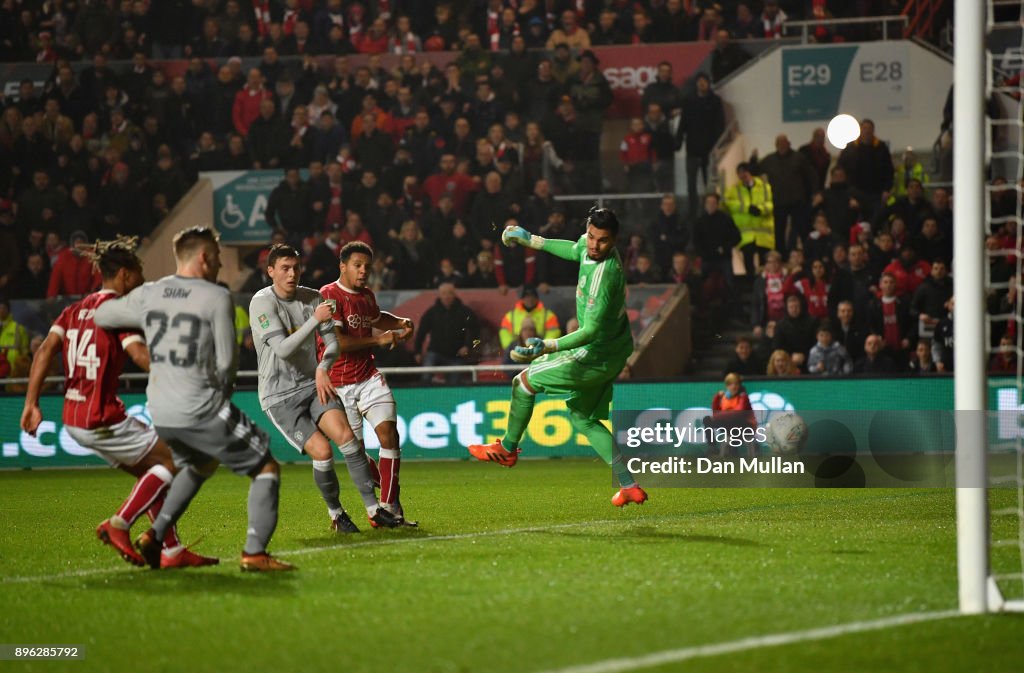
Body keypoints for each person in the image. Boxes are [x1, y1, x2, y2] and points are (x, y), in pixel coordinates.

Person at [94, 227, 292, 572]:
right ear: (203, 258)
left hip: (161, 409)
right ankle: (255, 552)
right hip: (199, 405)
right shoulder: (215, 296)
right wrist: (222, 395)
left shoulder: (151, 293)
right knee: (266, 467)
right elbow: (228, 362)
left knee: (200, 464)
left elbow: (102, 316)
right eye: (216, 257)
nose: (217, 265)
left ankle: (154, 537)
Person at [21, 237, 217, 570]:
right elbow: (139, 354)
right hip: (101, 417)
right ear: (125, 275)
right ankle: (120, 524)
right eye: (139, 275)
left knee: (153, 472)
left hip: (74, 416)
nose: (141, 282)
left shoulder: (72, 310)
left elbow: (43, 351)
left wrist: (31, 403)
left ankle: (168, 550)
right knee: (179, 459)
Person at [467, 207, 646, 508]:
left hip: (593, 354)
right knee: (583, 418)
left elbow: (588, 332)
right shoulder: (589, 248)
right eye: (591, 236)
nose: (593, 245)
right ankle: (629, 486)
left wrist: (547, 346)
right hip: (614, 351)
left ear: (614, 241)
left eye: (602, 241)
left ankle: (508, 449)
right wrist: (531, 240)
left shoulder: (606, 277)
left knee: (523, 382)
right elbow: (573, 248)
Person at [250, 244, 399, 533]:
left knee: (347, 438)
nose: (292, 273)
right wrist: (313, 321)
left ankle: (374, 509)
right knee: (322, 452)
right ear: (271, 272)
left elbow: (331, 343)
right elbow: (282, 349)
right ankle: (336, 513)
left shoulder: (313, 297)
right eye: (284, 268)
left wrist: (321, 368)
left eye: (295, 267)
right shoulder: (261, 303)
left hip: (312, 384)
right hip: (279, 396)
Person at [321, 242, 418, 525]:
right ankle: (385, 502)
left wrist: (399, 322)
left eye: (367, 266)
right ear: (343, 266)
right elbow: (337, 343)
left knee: (389, 434)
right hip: (338, 385)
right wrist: (379, 339)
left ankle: (390, 507)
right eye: (357, 265)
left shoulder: (366, 296)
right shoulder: (329, 295)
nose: (363, 271)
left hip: (368, 377)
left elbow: (377, 318)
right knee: (358, 456)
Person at [413, 282, 480, 383]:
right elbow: (421, 332)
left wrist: (467, 346)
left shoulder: (465, 312)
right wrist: (417, 351)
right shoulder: (432, 312)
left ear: (454, 294)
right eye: (444, 293)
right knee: (426, 374)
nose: (447, 296)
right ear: (439, 295)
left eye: (449, 293)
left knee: (454, 382)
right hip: (435, 352)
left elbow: (475, 330)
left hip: (456, 354)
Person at [725, 162, 774, 276]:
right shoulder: (734, 189)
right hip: (746, 235)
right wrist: (747, 208)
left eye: (744, 174)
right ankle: (751, 282)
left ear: (749, 173)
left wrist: (760, 209)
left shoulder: (764, 187)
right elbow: (728, 203)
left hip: (763, 233)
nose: (742, 177)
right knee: (748, 260)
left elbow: (770, 204)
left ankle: (763, 282)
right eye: (740, 175)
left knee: (765, 261)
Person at [707, 373, 758, 458]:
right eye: (730, 384)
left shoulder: (743, 397)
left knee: (734, 419)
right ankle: (712, 447)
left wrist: (718, 416)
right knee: (707, 420)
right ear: (727, 386)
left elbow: (737, 412)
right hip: (730, 426)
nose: (733, 387)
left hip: (745, 426)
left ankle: (732, 449)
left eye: (736, 384)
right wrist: (717, 398)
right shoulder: (725, 398)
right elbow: (716, 413)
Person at [498, 285, 561, 351]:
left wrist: (544, 346)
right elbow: (504, 333)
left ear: (537, 298)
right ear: (522, 299)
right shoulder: (510, 316)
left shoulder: (548, 315)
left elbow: (554, 332)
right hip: (516, 349)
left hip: (540, 349)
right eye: (527, 296)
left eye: (532, 296)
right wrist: (512, 348)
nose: (530, 299)